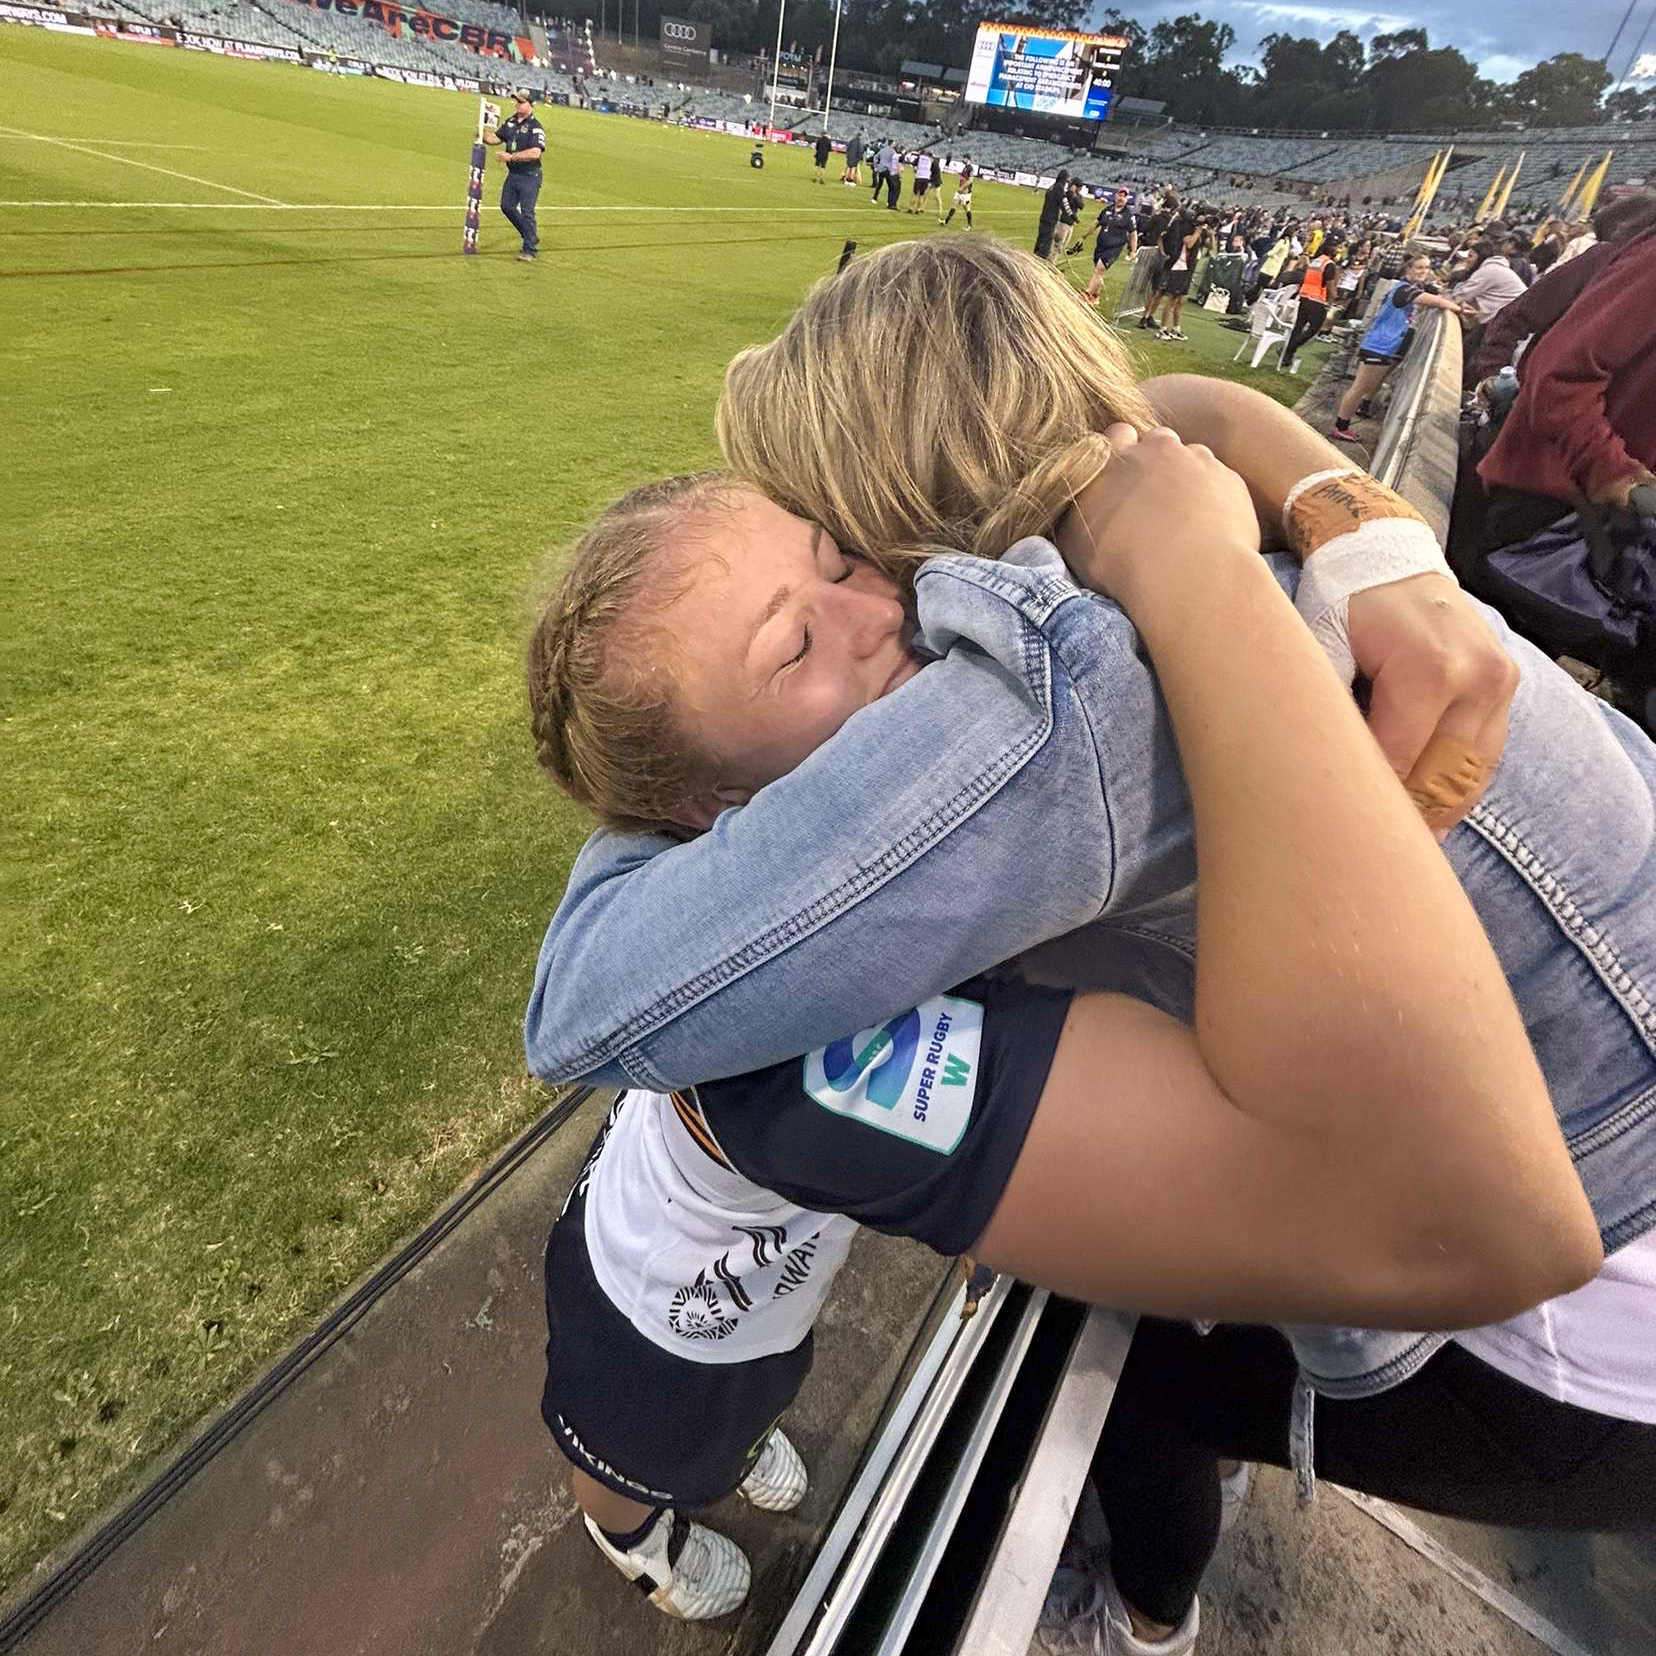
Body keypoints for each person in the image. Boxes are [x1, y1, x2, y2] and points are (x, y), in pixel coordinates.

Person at [525, 241, 1656, 1649]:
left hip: (1587, 1322)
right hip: (1598, 1122)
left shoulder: (1050, 691)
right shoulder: (1179, 493)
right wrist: (1334, 502)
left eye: (843, 548)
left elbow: (584, 997)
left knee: (1119, 1372)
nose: (890, 606)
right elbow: (1179, 400)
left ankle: (1133, 1610)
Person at [1330, 254, 1467, 443]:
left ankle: (1359, 410)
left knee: (1368, 385)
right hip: (1379, 345)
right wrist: (1459, 309)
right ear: (1408, 269)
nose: (1424, 272)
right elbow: (1438, 301)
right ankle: (1341, 426)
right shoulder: (1404, 290)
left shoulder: (1410, 287)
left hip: (1386, 344)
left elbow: (1435, 294)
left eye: (1427, 268)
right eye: (1419, 267)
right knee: (1360, 387)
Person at [482, 90, 546, 262]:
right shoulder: (510, 122)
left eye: (521, 102)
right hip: (514, 174)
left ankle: (529, 249)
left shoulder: (535, 127)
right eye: (516, 101)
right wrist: (482, 134)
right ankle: (529, 234)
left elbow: (535, 153)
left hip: (530, 175)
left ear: (530, 105)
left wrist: (510, 157)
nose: (517, 104)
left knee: (527, 211)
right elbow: (496, 138)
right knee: (507, 207)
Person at [1278, 245, 1340, 373]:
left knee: (1299, 326)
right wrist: (1333, 299)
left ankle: (1287, 356)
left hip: (1305, 295)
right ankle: (1291, 347)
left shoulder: (1316, 261)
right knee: (1314, 328)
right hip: (1317, 299)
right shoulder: (1329, 264)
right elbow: (1330, 285)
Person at [1153, 219, 1212, 342]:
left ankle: (1176, 328)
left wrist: (1212, 235)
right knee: (1172, 300)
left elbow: (1211, 248)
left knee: (1181, 301)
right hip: (1179, 268)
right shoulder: (1185, 231)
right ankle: (1162, 329)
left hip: (1188, 270)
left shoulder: (1201, 234)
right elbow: (1189, 243)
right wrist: (1197, 231)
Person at [1082, 188, 1138, 306]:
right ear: (1116, 196)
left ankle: (1087, 294)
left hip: (1114, 248)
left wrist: (1133, 251)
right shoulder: (1108, 209)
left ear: (1127, 199)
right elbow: (1096, 223)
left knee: (1099, 269)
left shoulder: (1128, 215)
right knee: (1099, 272)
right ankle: (1096, 296)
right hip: (1101, 245)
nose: (1121, 198)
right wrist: (1084, 236)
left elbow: (1133, 234)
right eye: (1120, 195)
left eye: (1124, 196)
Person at [1034, 169, 1068, 260]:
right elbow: (1065, 205)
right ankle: (1041, 260)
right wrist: (1072, 216)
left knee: (1040, 238)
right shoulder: (1060, 189)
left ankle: (1035, 255)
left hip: (1044, 216)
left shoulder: (1051, 187)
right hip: (1051, 218)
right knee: (1047, 241)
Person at [943, 164, 974, 230]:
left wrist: (962, 187)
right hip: (961, 191)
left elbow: (970, 180)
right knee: (954, 204)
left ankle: (969, 225)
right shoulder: (965, 167)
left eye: (964, 158)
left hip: (966, 193)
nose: (963, 160)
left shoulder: (970, 168)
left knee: (967, 208)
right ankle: (946, 221)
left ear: (967, 158)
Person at [909, 149, 935, 214]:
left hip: (919, 177)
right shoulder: (930, 159)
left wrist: (915, 169)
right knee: (921, 195)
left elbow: (913, 164)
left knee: (915, 193)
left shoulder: (919, 158)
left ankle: (911, 208)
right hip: (926, 178)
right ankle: (918, 209)